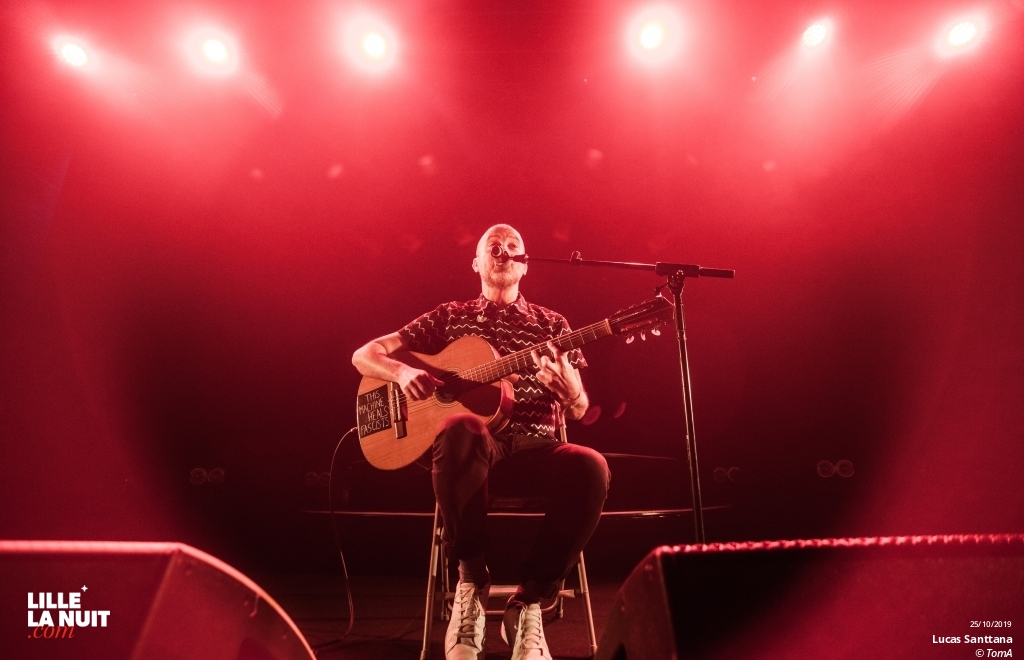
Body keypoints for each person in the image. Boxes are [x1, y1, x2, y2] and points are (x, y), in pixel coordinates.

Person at [352, 224, 610, 660]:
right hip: (469, 455)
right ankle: (471, 580)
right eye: (494, 246)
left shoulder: (553, 326)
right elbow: (363, 355)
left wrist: (573, 394)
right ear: (477, 263)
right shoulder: (449, 317)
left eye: (513, 247)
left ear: (525, 266)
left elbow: (580, 411)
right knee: (461, 427)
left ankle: (529, 602)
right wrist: (402, 371)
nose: (504, 251)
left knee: (592, 466)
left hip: (537, 448)